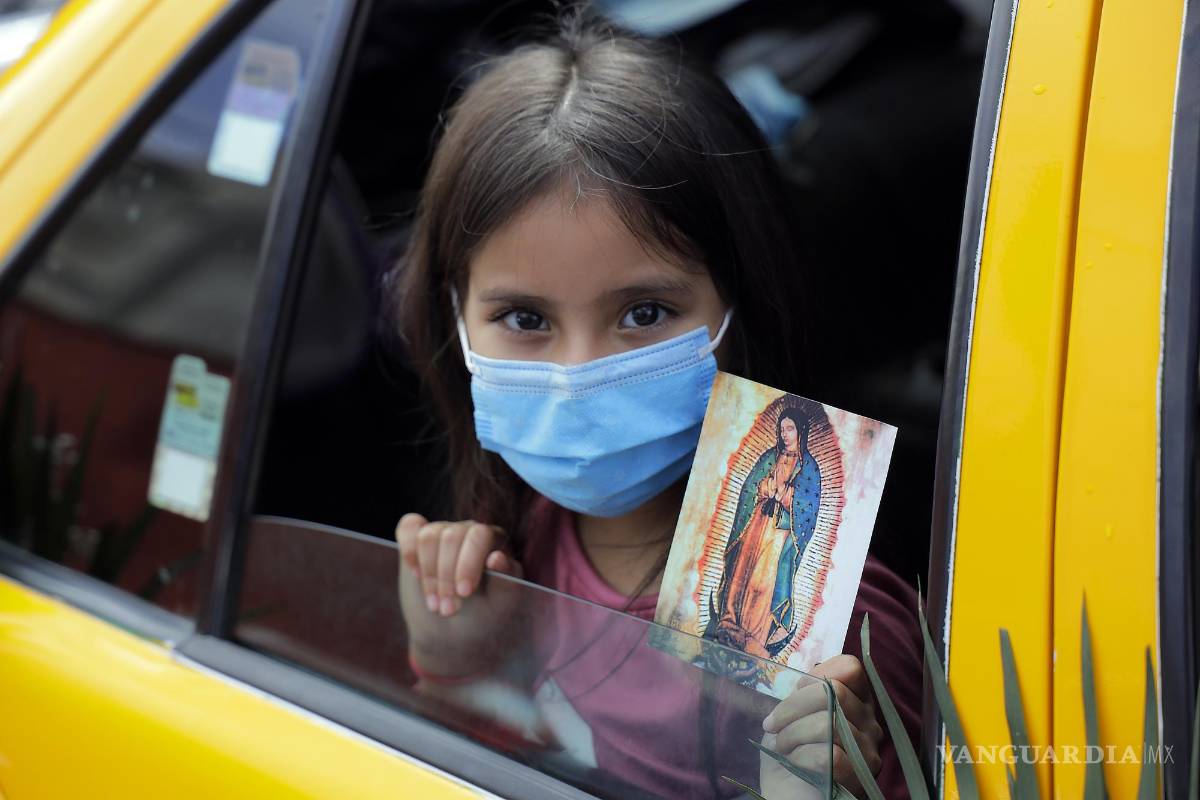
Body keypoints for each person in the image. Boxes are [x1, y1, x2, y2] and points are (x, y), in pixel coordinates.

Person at [388, 10, 923, 799]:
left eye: (643, 313)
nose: (580, 374)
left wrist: (842, 779)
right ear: (455, 324)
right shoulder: (512, 549)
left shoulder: (812, 621)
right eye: (526, 319)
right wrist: (455, 655)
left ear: (743, 304)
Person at [707, 408, 821, 662]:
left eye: (789, 428)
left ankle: (753, 635)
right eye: (782, 429)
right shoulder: (770, 456)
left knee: (763, 581)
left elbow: (808, 510)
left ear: (800, 431)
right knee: (741, 572)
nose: (784, 434)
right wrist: (763, 488)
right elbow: (750, 486)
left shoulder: (809, 469)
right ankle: (728, 622)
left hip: (780, 532)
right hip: (757, 522)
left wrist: (785, 495)